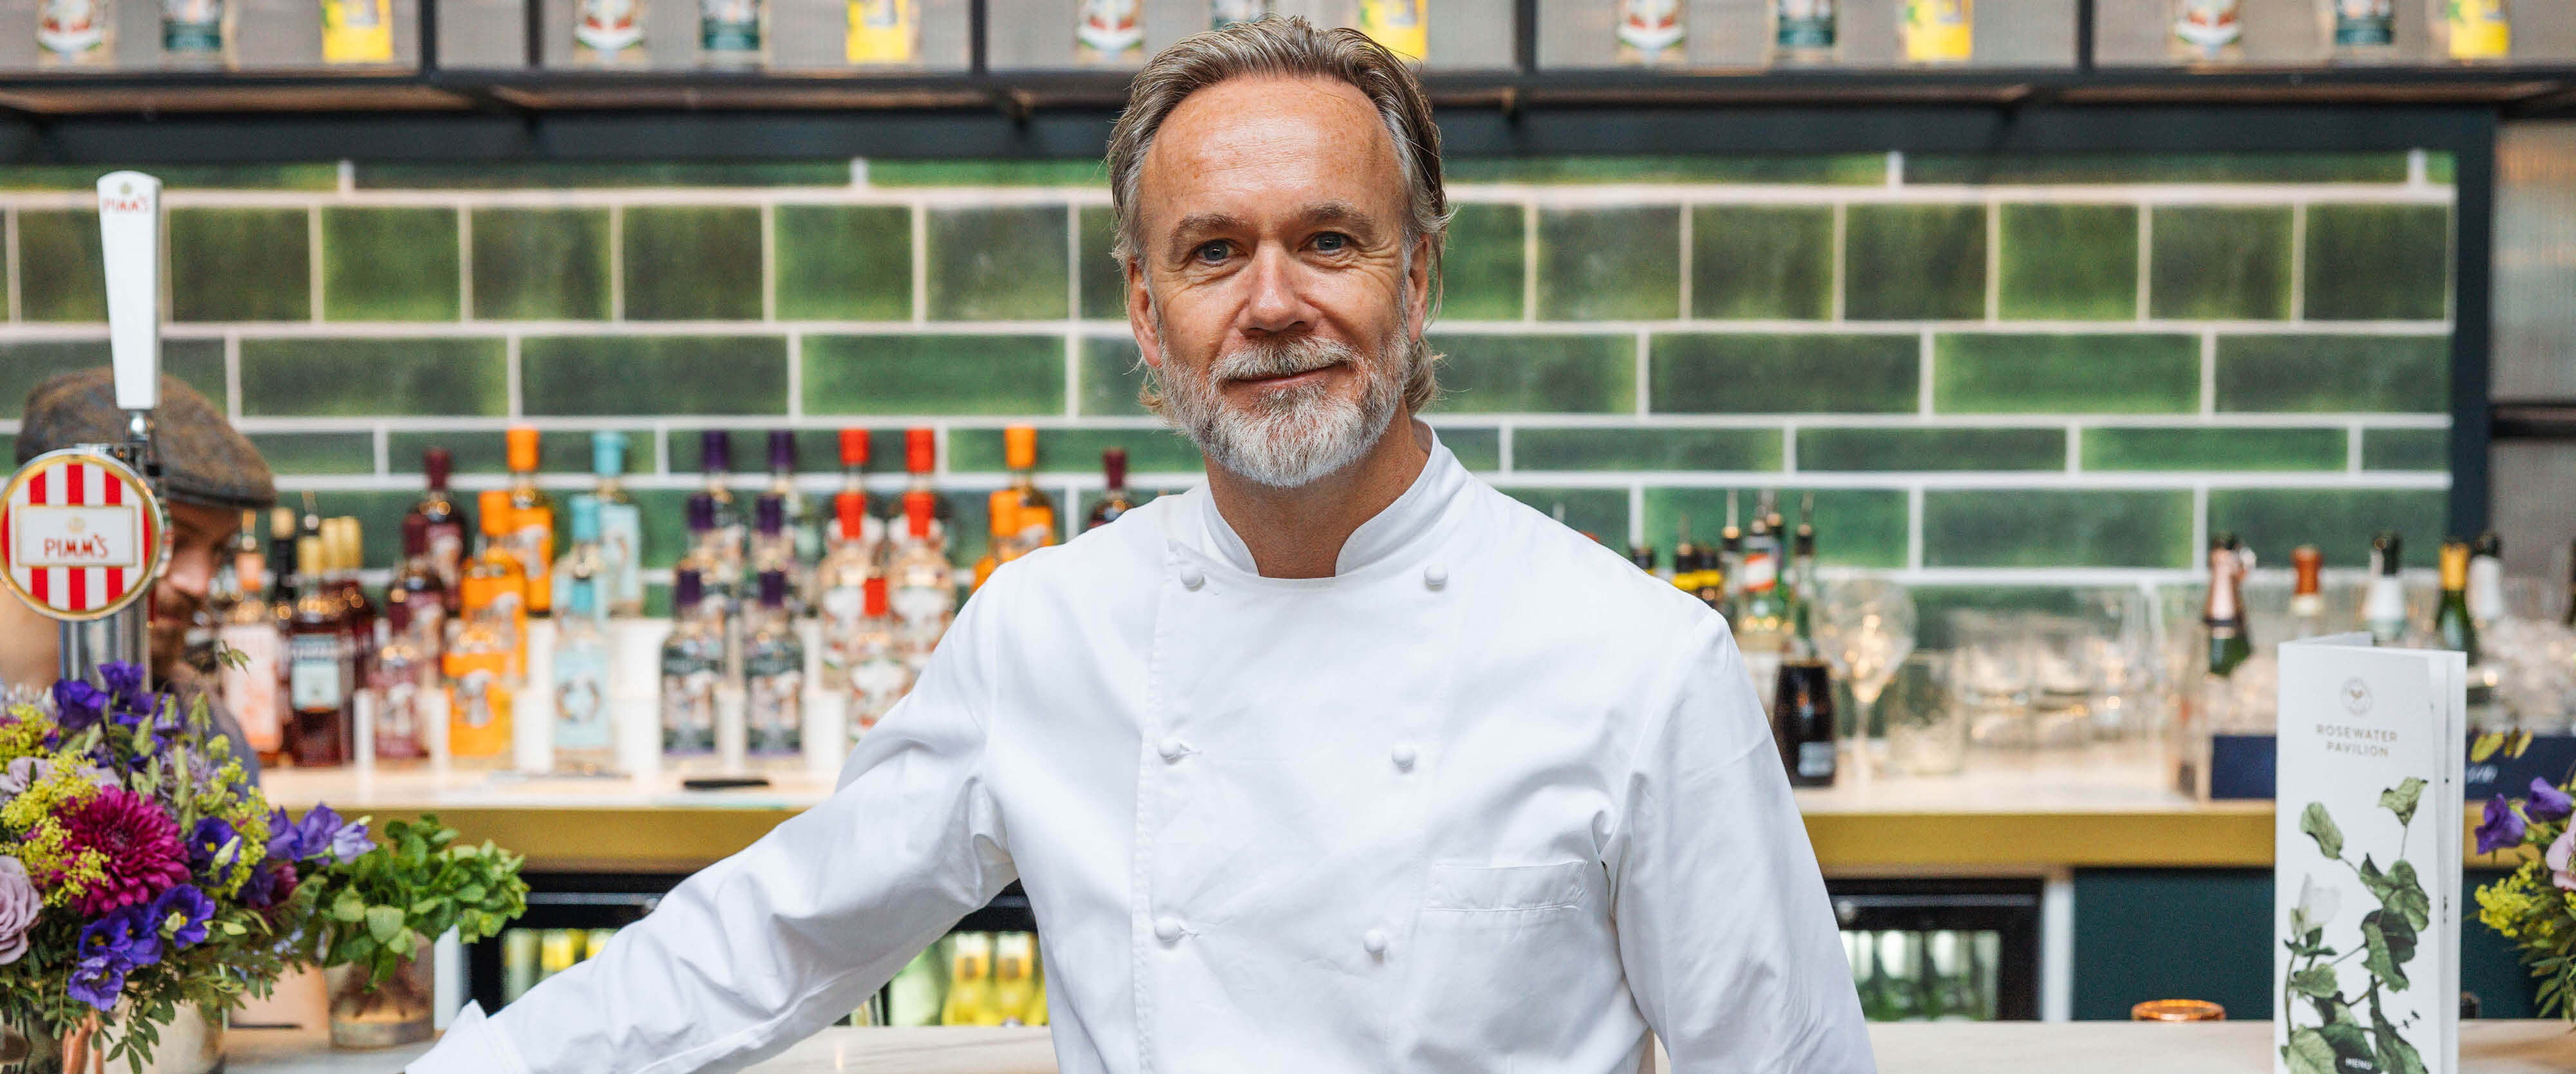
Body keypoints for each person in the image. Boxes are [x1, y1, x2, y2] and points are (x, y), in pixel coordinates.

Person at [415, 18, 1870, 1073]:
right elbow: (781, 932)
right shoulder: (1049, 627)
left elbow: (1788, 1059)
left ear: (1418, 275)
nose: (1275, 300)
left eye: (1331, 241)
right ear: (1143, 306)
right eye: (1213, 251)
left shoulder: (1630, 655)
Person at [0, 369, 270, 774]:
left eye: (219, 551)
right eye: (167, 539)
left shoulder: (199, 718)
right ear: (49, 524)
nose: (199, 583)